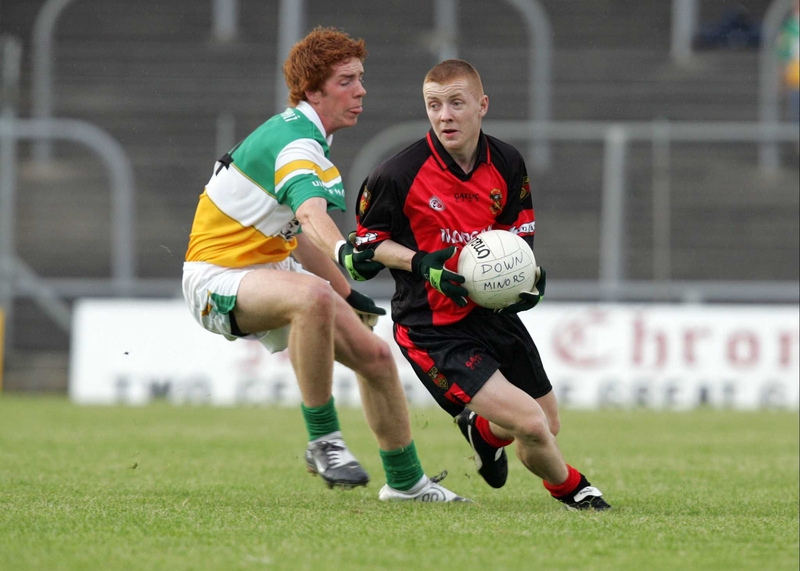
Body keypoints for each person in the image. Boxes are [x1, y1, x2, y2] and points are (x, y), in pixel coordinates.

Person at [182, 28, 468, 503]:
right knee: (313, 297)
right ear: (313, 90)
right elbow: (311, 215)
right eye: (346, 81)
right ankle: (325, 442)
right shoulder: (297, 144)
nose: (361, 90)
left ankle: (406, 484)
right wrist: (340, 259)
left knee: (375, 359)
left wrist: (351, 294)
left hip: (267, 270)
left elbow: (294, 237)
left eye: (360, 78)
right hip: (216, 278)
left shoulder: (304, 135)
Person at [353, 59, 611, 510]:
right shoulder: (397, 173)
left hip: (492, 315)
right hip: (432, 327)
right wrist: (423, 265)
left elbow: (516, 241)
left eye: (456, 103)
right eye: (434, 105)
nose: (445, 115)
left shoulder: (507, 162)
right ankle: (576, 491)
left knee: (546, 426)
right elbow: (365, 248)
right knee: (530, 424)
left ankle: (483, 431)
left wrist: (525, 280)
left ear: (482, 105)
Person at [777, 1, 799, 142]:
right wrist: (781, 78)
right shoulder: (789, 28)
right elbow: (782, 54)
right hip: (796, 81)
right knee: (796, 118)